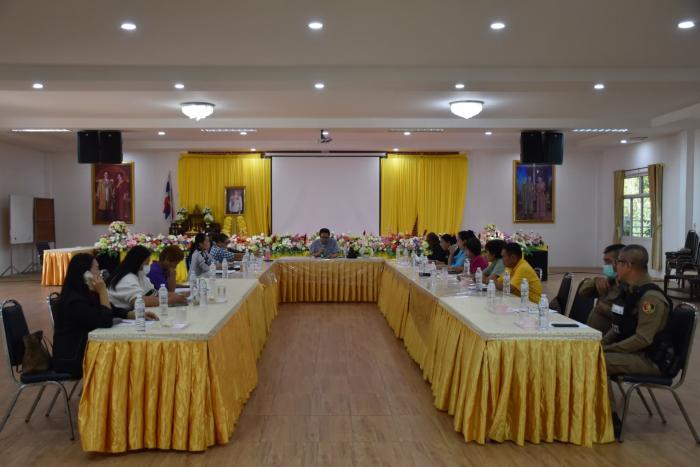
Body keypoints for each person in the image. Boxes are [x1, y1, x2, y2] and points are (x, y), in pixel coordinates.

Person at [602, 244, 672, 437]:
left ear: (628, 266)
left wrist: (609, 349)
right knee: (594, 354)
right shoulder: (631, 291)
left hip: (649, 359)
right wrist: (601, 344)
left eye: (617, 263)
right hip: (634, 353)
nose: (614, 267)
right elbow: (618, 327)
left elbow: (643, 339)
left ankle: (610, 420)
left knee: (599, 361)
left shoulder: (650, 299)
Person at [52, 253, 156, 377]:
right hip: (72, 358)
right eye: (96, 269)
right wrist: (102, 292)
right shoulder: (74, 301)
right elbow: (105, 321)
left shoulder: (86, 293)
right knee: (125, 358)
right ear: (85, 274)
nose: (100, 273)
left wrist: (134, 314)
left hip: (85, 349)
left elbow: (111, 309)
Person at [108, 245, 186, 309]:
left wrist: (176, 296)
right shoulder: (126, 278)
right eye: (146, 263)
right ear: (138, 262)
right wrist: (169, 300)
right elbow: (140, 301)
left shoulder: (140, 275)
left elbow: (154, 293)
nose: (148, 266)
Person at [578, 244, 625, 332]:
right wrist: (595, 281)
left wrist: (607, 310)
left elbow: (627, 316)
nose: (605, 266)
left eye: (608, 261)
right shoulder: (609, 282)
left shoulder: (629, 288)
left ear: (619, 262)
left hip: (608, 337)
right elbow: (582, 292)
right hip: (591, 333)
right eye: (605, 262)